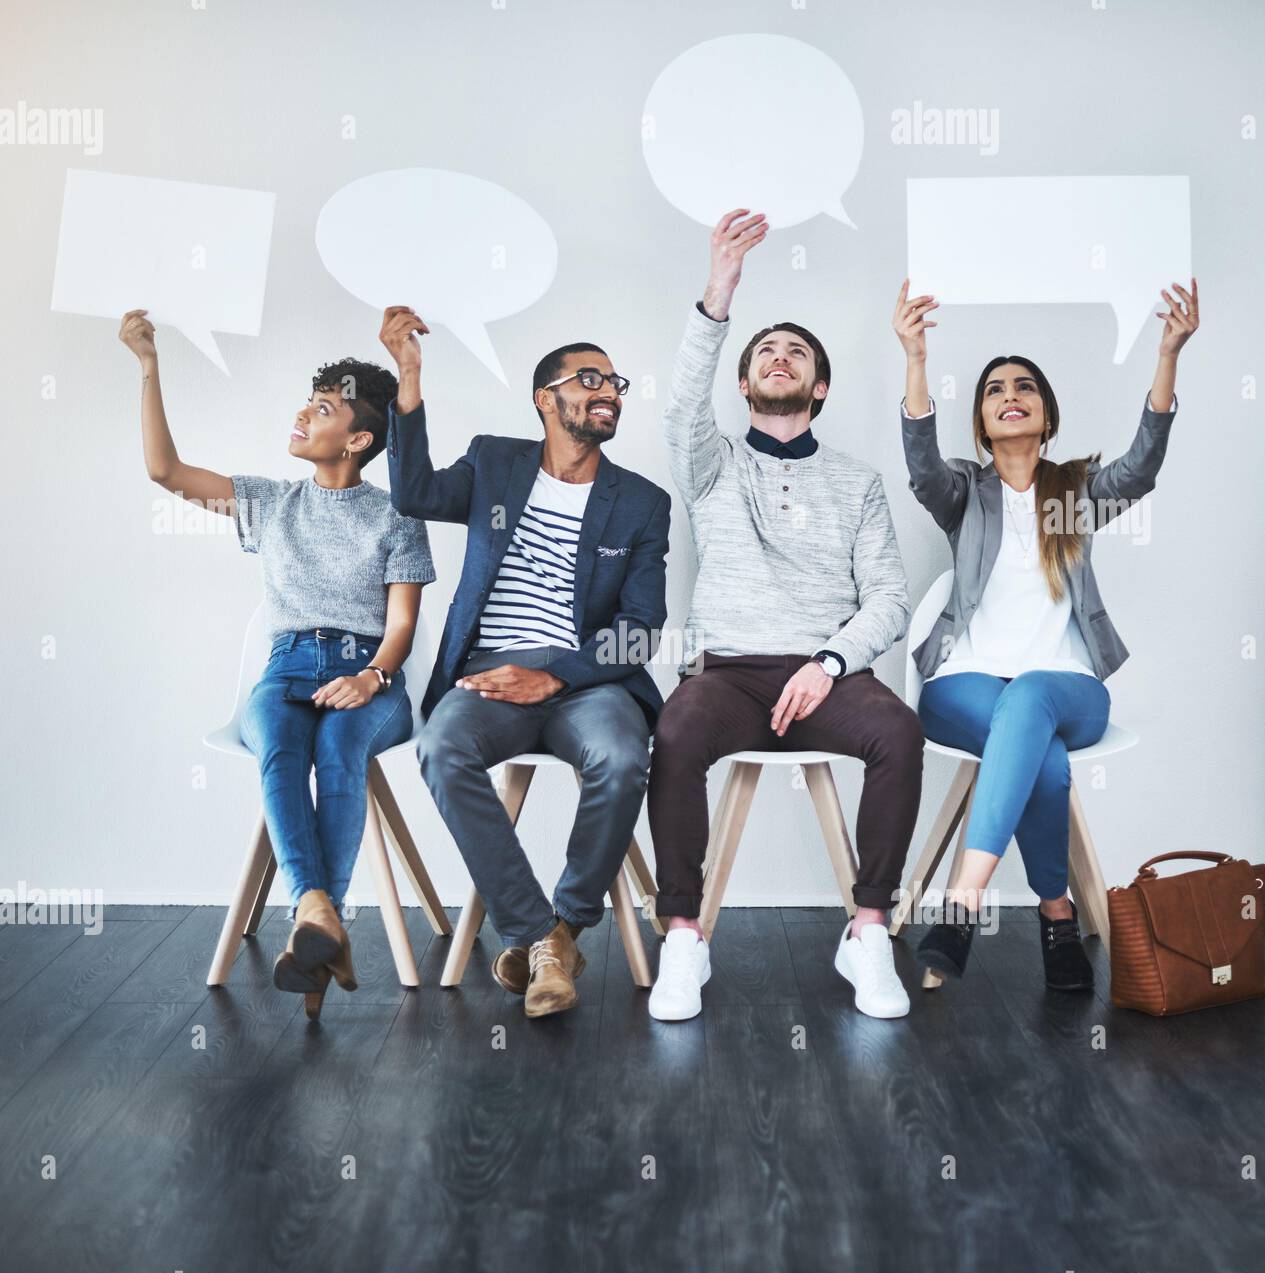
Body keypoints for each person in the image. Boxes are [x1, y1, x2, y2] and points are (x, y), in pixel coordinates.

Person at [118, 310, 435, 1020]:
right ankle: (319, 912)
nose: (302, 413)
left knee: (341, 742)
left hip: (370, 673)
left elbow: (404, 624)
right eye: (307, 400)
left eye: (321, 409)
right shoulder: (269, 502)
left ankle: (316, 919)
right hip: (286, 668)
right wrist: (148, 365)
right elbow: (164, 471)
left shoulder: (398, 516)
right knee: (283, 745)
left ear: (357, 439)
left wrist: (371, 678)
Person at [647, 210, 923, 1023]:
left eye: (795, 352)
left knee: (898, 734)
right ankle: (684, 939)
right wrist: (719, 295)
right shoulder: (709, 464)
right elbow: (679, 408)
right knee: (672, 735)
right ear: (742, 382)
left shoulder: (859, 482)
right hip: (728, 671)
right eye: (763, 351)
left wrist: (829, 664)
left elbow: (890, 598)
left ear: (820, 387)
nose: (778, 357)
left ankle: (868, 930)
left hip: (827, 672)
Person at [891, 275, 1199, 989]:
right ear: (982, 422)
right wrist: (914, 359)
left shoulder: (1077, 493)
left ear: (1046, 415)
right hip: (963, 684)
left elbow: (1142, 467)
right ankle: (1058, 919)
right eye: (994, 389)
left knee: (1030, 697)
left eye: (1023, 385)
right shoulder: (964, 494)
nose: (1008, 394)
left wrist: (1167, 356)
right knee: (1046, 762)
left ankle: (962, 901)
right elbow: (920, 467)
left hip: (1069, 688)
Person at [378, 305, 671, 1019]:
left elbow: (642, 632)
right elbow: (414, 494)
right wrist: (408, 380)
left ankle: (565, 926)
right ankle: (539, 936)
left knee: (622, 757)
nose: (609, 391)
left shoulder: (640, 502)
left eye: (616, 382)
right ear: (546, 399)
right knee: (443, 749)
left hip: (587, 679)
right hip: (487, 672)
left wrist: (557, 675)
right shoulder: (495, 463)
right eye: (589, 378)